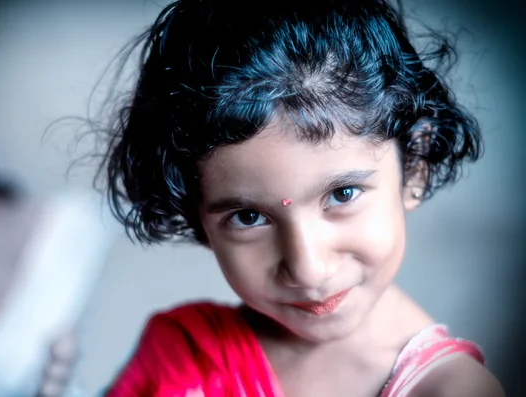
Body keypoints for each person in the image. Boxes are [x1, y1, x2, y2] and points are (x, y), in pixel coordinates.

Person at [98, 0, 505, 395]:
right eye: (248, 217)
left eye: (343, 194)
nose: (308, 270)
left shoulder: (451, 390)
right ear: (196, 215)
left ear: (414, 166)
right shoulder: (182, 355)